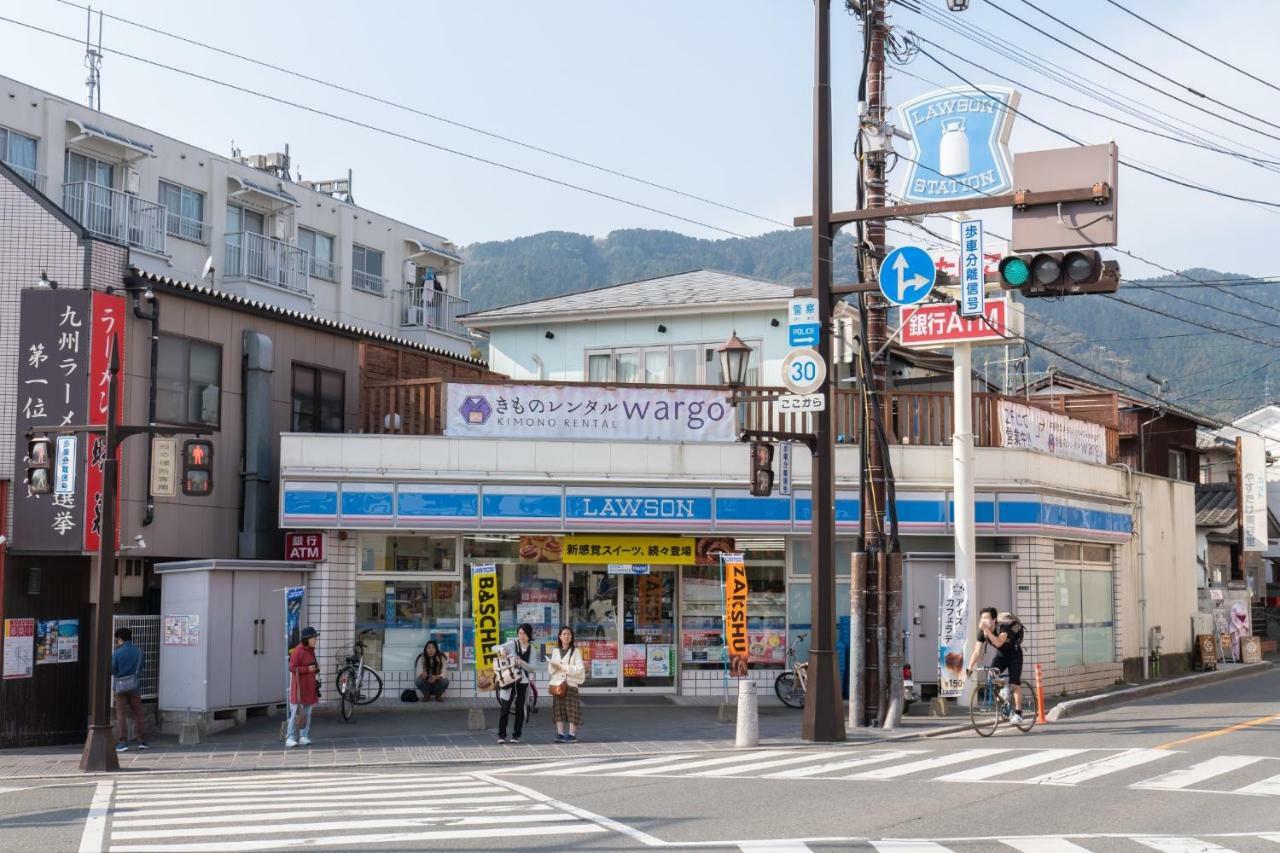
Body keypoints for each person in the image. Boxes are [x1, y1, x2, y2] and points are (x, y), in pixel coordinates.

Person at [967, 606, 1025, 724]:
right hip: (1001, 655)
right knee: (992, 674)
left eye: (986, 618)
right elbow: (977, 651)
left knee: (1015, 684)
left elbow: (998, 643)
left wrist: (987, 631)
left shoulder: (1003, 628)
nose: (983, 620)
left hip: (1014, 654)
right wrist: (970, 667)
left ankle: (1019, 714)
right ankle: (1004, 692)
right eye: (982, 618)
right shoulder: (982, 633)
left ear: (994, 620)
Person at [495, 623, 536, 744]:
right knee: (505, 707)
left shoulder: (532, 650)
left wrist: (521, 662)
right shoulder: (513, 644)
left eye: (523, 633)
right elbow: (494, 647)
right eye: (519, 633)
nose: (521, 636)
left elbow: (532, 668)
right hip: (509, 679)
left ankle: (516, 735)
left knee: (520, 708)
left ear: (529, 635)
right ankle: (501, 735)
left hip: (522, 681)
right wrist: (502, 650)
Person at [112, 627, 147, 752]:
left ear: (120, 639)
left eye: (117, 639)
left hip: (120, 687)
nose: (117, 641)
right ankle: (142, 741)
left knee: (121, 714)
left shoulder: (117, 653)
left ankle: (123, 742)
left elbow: (112, 669)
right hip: (134, 685)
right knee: (138, 713)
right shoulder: (139, 651)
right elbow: (142, 666)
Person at [548, 625, 585, 743]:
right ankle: (560, 733)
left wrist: (562, 667)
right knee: (558, 709)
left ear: (572, 637)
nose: (566, 636)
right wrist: (554, 667)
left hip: (570, 684)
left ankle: (572, 734)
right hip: (558, 685)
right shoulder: (555, 651)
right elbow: (550, 669)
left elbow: (579, 669)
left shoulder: (575, 651)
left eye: (569, 634)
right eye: (564, 634)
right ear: (560, 637)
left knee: (572, 709)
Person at [286, 626, 320, 748]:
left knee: (307, 713)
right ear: (307, 639)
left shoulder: (311, 650)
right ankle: (290, 737)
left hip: (309, 686)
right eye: (314, 637)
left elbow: (313, 665)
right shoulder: (298, 651)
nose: (316, 639)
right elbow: (292, 668)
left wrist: (316, 668)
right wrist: (307, 669)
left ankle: (303, 736)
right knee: (296, 712)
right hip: (299, 687)